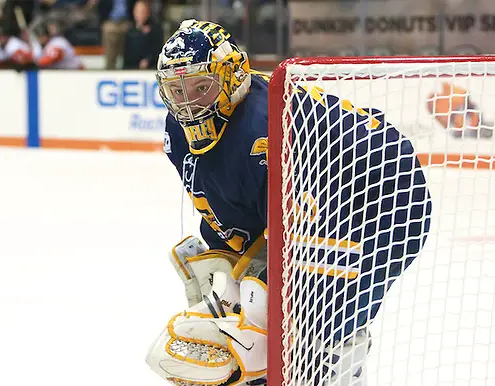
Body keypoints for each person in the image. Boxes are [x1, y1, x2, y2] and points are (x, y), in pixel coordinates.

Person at [145, 19, 432, 386]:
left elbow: (289, 242)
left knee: (311, 323)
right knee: (263, 311)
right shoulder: (180, 129)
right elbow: (221, 201)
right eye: (176, 91)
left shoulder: (266, 133)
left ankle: (340, 366)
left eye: (201, 88)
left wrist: (255, 293)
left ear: (232, 77)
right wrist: (230, 265)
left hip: (382, 199)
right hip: (316, 194)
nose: (187, 104)